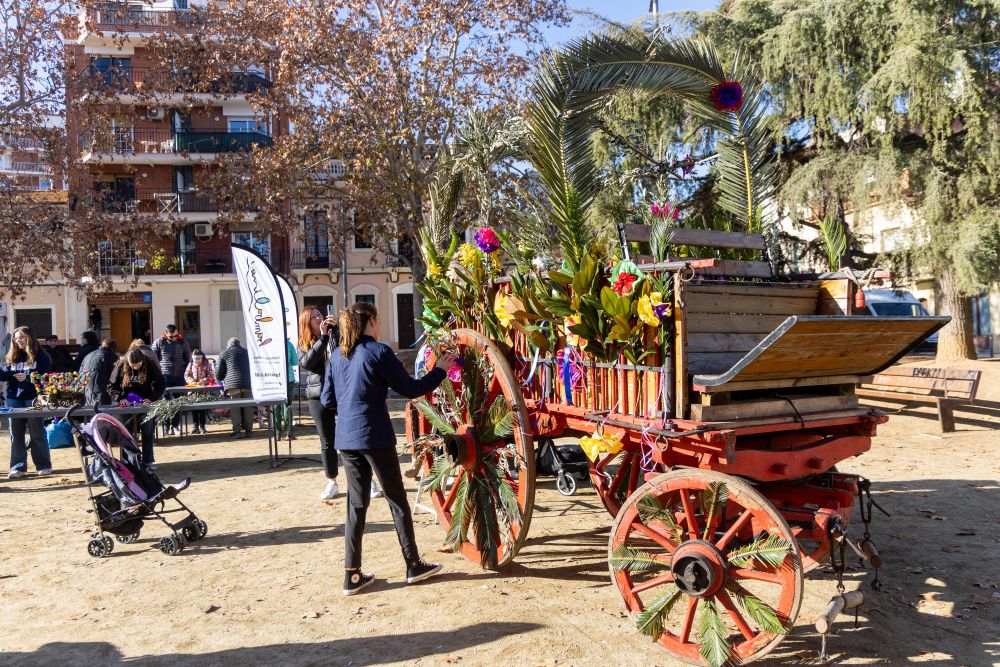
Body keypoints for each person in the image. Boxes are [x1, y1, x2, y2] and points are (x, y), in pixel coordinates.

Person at [321, 302, 454, 595]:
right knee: (396, 500)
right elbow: (410, 389)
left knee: (356, 506)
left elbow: (327, 400)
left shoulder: (337, 357)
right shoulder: (379, 352)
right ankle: (413, 564)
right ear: (371, 320)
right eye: (378, 319)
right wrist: (441, 370)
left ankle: (351, 575)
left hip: (347, 438)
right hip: (375, 435)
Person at [298, 307, 341, 500]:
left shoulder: (335, 334)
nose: (319, 317)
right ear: (307, 323)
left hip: (341, 392)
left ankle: (367, 480)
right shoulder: (303, 343)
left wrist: (337, 330)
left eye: (320, 314)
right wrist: (323, 338)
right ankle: (332, 481)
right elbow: (307, 363)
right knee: (327, 441)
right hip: (317, 395)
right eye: (314, 316)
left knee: (354, 435)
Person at [1, 327, 53, 478]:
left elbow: (46, 377)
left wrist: (29, 377)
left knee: (37, 432)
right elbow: (4, 376)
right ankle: (18, 467)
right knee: (15, 434)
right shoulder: (12, 356)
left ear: (30, 338)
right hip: (13, 398)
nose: (18, 341)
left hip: (34, 398)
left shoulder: (42, 356)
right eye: (16, 339)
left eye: (21, 338)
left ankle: (44, 465)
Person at [109, 347, 164, 471]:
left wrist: (151, 398)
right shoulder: (121, 365)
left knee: (148, 431)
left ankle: (148, 460)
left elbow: (160, 384)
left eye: (138, 365)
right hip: (126, 404)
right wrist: (120, 397)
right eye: (132, 365)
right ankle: (128, 461)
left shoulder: (150, 364)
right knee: (126, 433)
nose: (135, 368)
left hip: (145, 403)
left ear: (142, 361)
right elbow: (111, 386)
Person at [151, 325, 191, 435]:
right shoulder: (159, 342)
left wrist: (186, 373)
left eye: (175, 336)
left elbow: (188, 359)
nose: (174, 338)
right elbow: (153, 358)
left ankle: (175, 426)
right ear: (165, 334)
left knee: (177, 402)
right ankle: (165, 426)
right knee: (165, 402)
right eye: (171, 337)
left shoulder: (183, 343)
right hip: (164, 376)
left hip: (179, 377)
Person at [216, 337, 253, 438]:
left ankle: (237, 431)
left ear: (228, 345)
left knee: (235, 408)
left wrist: (222, 378)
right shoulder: (247, 352)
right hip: (248, 384)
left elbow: (218, 371)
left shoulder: (224, 353)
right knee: (248, 407)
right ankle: (249, 430)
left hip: (232, 385)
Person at [183, 348, 216, 434]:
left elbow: (211, 375)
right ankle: (195, 426)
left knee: (202, 409)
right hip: (193, 390)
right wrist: (192, 381)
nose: (197, 361)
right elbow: (186, 375)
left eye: (199, 359)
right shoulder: (190, 365)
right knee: (194, 409)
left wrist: (204, 380)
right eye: (195, 359)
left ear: (202, 358)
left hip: (203, 390)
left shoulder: (207, 365)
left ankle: (202, 426)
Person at [80, 338, 119, 407]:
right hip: (101, 392)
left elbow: (80, 373)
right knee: (104, 416)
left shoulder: (88, 355)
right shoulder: (111, 356)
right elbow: (114, 377)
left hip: (87, 392)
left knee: (92, 416)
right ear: (114, 348)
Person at [274, 339, 298, 440]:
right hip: (288, 378)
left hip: (274, 378)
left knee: (276, 406)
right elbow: (295, 362)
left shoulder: (271, 344)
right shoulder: (289, 344)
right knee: (286, 405)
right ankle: (289, 433)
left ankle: (278, 434)